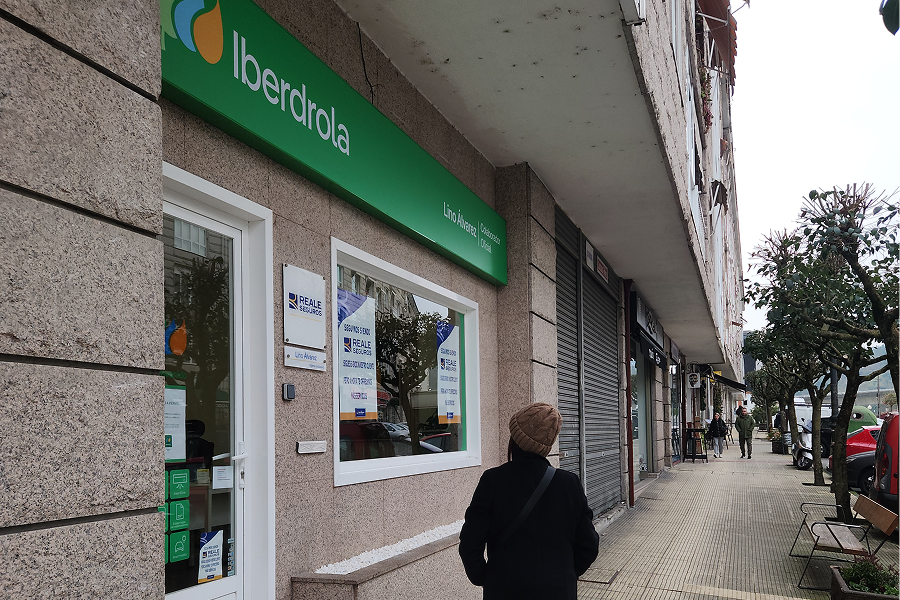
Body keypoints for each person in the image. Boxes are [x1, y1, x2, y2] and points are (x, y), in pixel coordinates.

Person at [459, 403, 599, 599]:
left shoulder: (493, 480)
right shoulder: (569, 484)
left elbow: (470, 543)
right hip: (558, 590)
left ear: (515, 440)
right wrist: (564, 574)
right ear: (547, 446)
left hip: (504, 590)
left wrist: (486, 578)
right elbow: (589, 545)